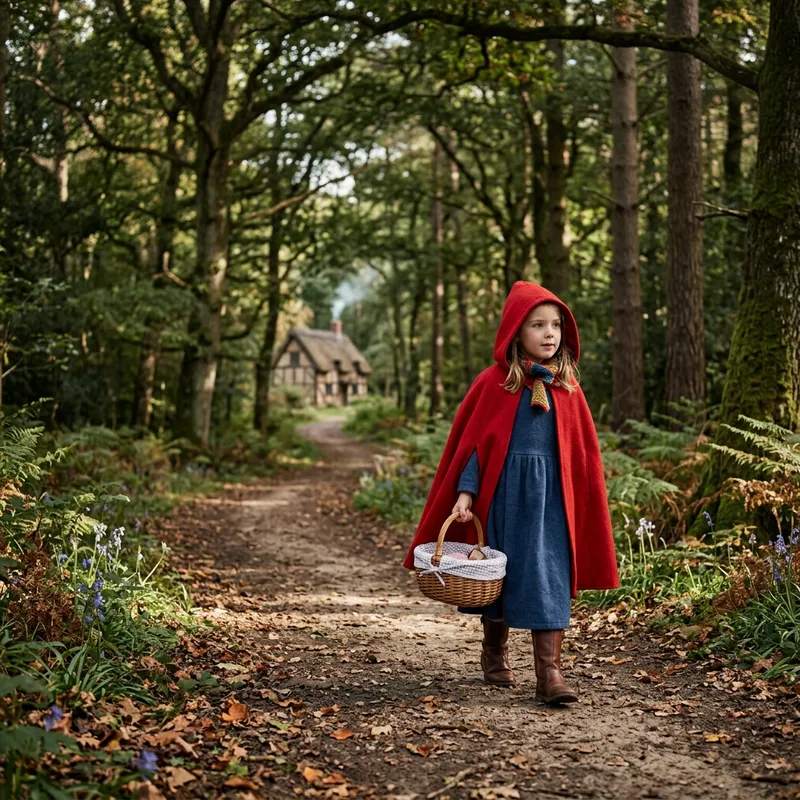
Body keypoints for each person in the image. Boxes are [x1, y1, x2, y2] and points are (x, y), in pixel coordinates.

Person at [403, 281, 620, 705]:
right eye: (538, 325)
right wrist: (465, 494)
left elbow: (581, 456)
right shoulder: (493, 384)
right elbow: (474, 447)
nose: (549, 333)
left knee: (549, 578)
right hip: (502, 497)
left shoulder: (568, 388)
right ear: (515, 331)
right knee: (496, 578)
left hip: (551, 502)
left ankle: (550, 674)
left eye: (555, 325)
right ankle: (495, 651)